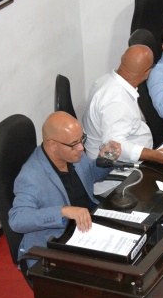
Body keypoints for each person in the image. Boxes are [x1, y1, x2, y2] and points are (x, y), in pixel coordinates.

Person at [9, 112, 110, 262]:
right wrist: (63, 211)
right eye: (74, 144)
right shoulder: (31, 177)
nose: (81, 147)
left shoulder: (72, 153)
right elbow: (17, 220)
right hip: (58, 243)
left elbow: (92, 174)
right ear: (53, 145)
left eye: (82, 139)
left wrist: (107, 158)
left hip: (88, 227)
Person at [82, 44, 163, 165]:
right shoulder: (117, 102)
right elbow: (113, 147)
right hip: (116, 167)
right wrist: (155, 156)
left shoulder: (105, 80)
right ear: (148, 72)